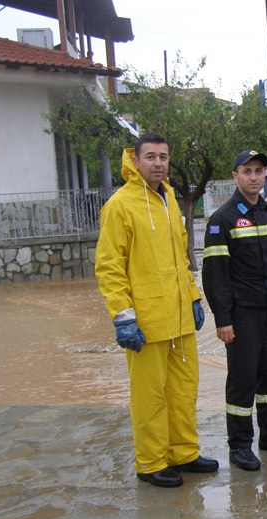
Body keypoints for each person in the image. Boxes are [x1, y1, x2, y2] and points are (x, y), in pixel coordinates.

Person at [95, 133, 218, 488]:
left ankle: (183, 452)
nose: (158, 163)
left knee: (183, 391)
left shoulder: (170, 201)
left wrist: (193, 296)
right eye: (150, 156)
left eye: (163, 156)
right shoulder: (120, 205)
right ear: (135, 161)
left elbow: (181, 257)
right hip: (146, 323)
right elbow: (109, 266)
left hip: (178, 318)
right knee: (149, 397)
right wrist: (123, 317)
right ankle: (150, 462)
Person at [202, 150, 267, 471]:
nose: (254, 177)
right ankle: (240, 446)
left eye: (259, 171)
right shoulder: (222, 220)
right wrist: (223, 319)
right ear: (235, 175)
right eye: (247, 171)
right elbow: (215, 274)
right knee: (243, 381)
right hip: (241, 315)